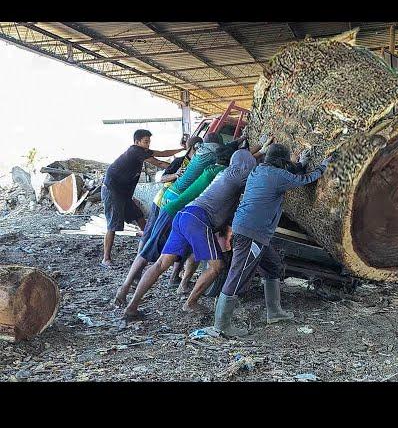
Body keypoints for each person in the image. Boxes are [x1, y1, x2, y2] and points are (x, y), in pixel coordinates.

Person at [114, 134, 273, 308]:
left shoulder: (209, 160)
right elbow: (248, 168)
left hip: (183, 212)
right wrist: (264, 150)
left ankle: (139, 303)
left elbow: (238, 159)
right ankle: (128, 289)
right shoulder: (221, 168)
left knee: (173, 259)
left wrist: (247, 141)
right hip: (176, 209)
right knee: (151, 253)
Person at [210, 143, 331, 337]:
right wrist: (323, 166)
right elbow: (304, 180)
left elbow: (288, 174)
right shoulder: (277, 175)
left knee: (272, 266)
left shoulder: (259, 170)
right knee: (238, 274)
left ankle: (274, 312)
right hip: (252, 232)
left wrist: (299, 164)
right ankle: (221, 324)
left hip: (253, 231)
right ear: (282, 161)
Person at [101, 129, 184, 268]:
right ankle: (106, 258)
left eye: (149, 142)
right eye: (145, 142)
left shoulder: (141, 152)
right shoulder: (135, 151)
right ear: (137, 142)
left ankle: (147, 247)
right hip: (113, 191)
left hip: (124, 193)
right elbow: (159, 162)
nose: (148, 145)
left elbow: (162, 153)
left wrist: (182, 149)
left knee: (139, 217)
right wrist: (176, 169)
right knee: (113, 224)